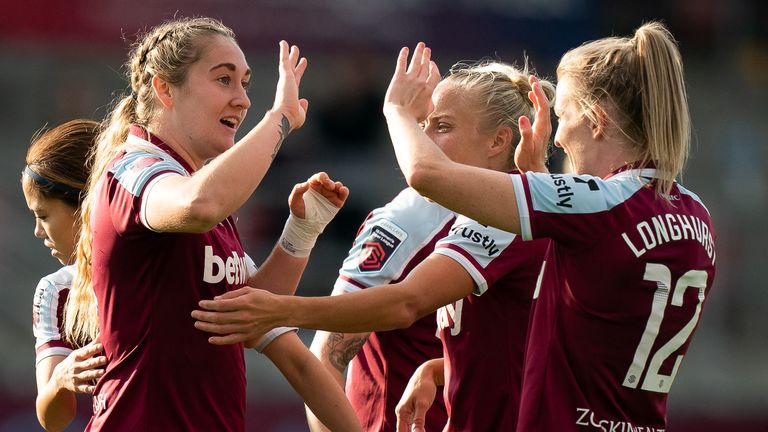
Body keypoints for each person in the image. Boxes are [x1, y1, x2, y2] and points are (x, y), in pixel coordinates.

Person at [378, 23, 716, 431]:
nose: (557, 139)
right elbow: (594, 322)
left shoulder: (599, 202)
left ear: (596, 121)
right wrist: (536, 176)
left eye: (563, 117)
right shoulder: (697, 215)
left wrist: (397, 110)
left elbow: (425, 173)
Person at [194, 60, 555, 431]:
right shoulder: (410, 216)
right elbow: (329, 355)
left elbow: (513, 349)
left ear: (498, 140)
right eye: (422, 124)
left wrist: (278, 310)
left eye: (442, 126)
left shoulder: (532, 215)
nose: (423, 138)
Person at [65, 17, 360, 431]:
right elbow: (198, 204)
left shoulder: (198, 189)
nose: (242, 99)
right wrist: (280, 118)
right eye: (224, 80)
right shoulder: (135, 169)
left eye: (245, 84)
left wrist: (301, 232)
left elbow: (254, 314)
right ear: (164, 88)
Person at [22, 119, 107, 432]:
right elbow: (53, 420)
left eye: (43, 215)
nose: (37, 231)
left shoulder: (181, 255)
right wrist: (60, 378)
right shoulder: (57, 291)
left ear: (83, 203)